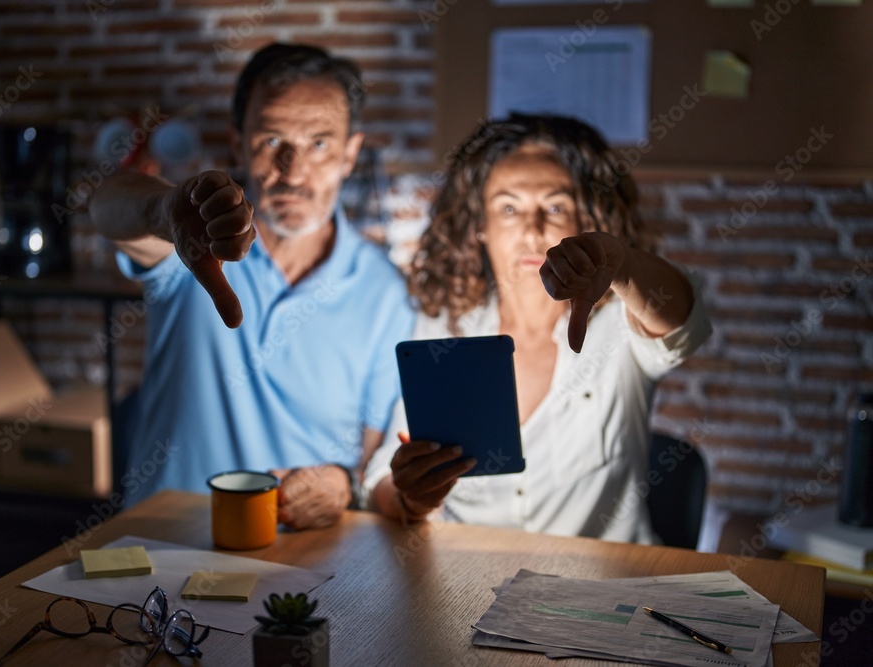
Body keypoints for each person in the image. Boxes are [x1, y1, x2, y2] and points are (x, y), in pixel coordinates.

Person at [90, 43, 414, 529]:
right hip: (161, 550)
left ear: (351, 153)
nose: (293, 170)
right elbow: (107, 207)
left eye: (320, 144)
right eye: (270, 140)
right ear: (238, 144)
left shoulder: (386, 293)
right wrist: (162, 212)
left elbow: (366, 464)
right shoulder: (193, 242)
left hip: (300, 565)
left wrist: (342, 484)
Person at [363, 114, 712, 543]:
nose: (533, 231)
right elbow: (383, 474)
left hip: (605, 588)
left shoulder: (620, 324)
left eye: (555, 207)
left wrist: (620, 261)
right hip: (467, 584)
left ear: (586, 219)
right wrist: (413, 498)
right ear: (480, 227)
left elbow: (682, 321)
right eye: (509, 208)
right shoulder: (443, 328)